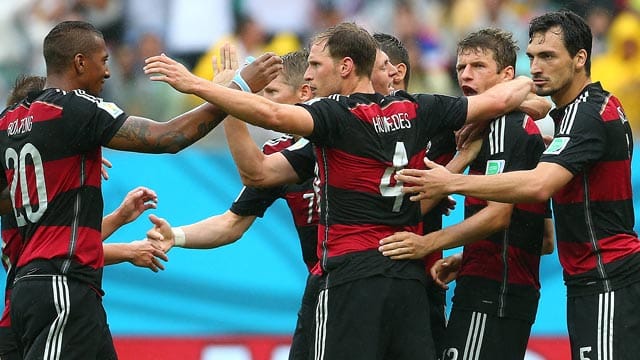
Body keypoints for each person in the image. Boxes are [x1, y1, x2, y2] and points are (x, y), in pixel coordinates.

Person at [144, 22, 538, 360]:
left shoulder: (333, 117)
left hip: (352, 277)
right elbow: (503, 98)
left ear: (347, 67)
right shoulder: (422, 111)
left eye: (316, 64)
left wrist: (198, 85)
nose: (309, 75)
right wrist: (527, 87)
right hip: (409, 281)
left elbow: (270, 125)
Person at [0, 21, 281, 360]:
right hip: (61, 284)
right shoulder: (76, 107)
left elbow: (14, 202)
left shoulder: (8, 121)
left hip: (34, 287)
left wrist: (65, 167)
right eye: (103, 61)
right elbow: (170, 137)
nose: (108, 72)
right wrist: (236, 89)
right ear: (79, 62)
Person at [393, 11, 640, 360]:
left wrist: (449, 182)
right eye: (532, 57)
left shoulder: (587, 115)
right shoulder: (569, 115)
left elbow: (539, 186)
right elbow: (544, 237)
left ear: (580, 58)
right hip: (588, 281)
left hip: (607, 277)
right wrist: (467, 256)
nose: (536, 67)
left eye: (548, 56)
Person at [379, 28, 552, 360]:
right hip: (501, 288)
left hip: (490, 291)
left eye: (478, 66)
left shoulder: (502, 129)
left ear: (507, 76)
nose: (466, 75)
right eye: (460, 68)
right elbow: (544, 238)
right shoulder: (487, 128)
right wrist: (466, 257)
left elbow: (498, 215)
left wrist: (428, 243)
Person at [146, 48, 320, 360]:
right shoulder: (281, 151)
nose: (262, 101)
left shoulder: (336, 136)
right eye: (260, 92)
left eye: (272, 92)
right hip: (321, 286)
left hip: (365, 280)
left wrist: (229, 95)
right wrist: (177, 236)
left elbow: (254, 172)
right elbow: (232, 223)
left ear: (304, 93)